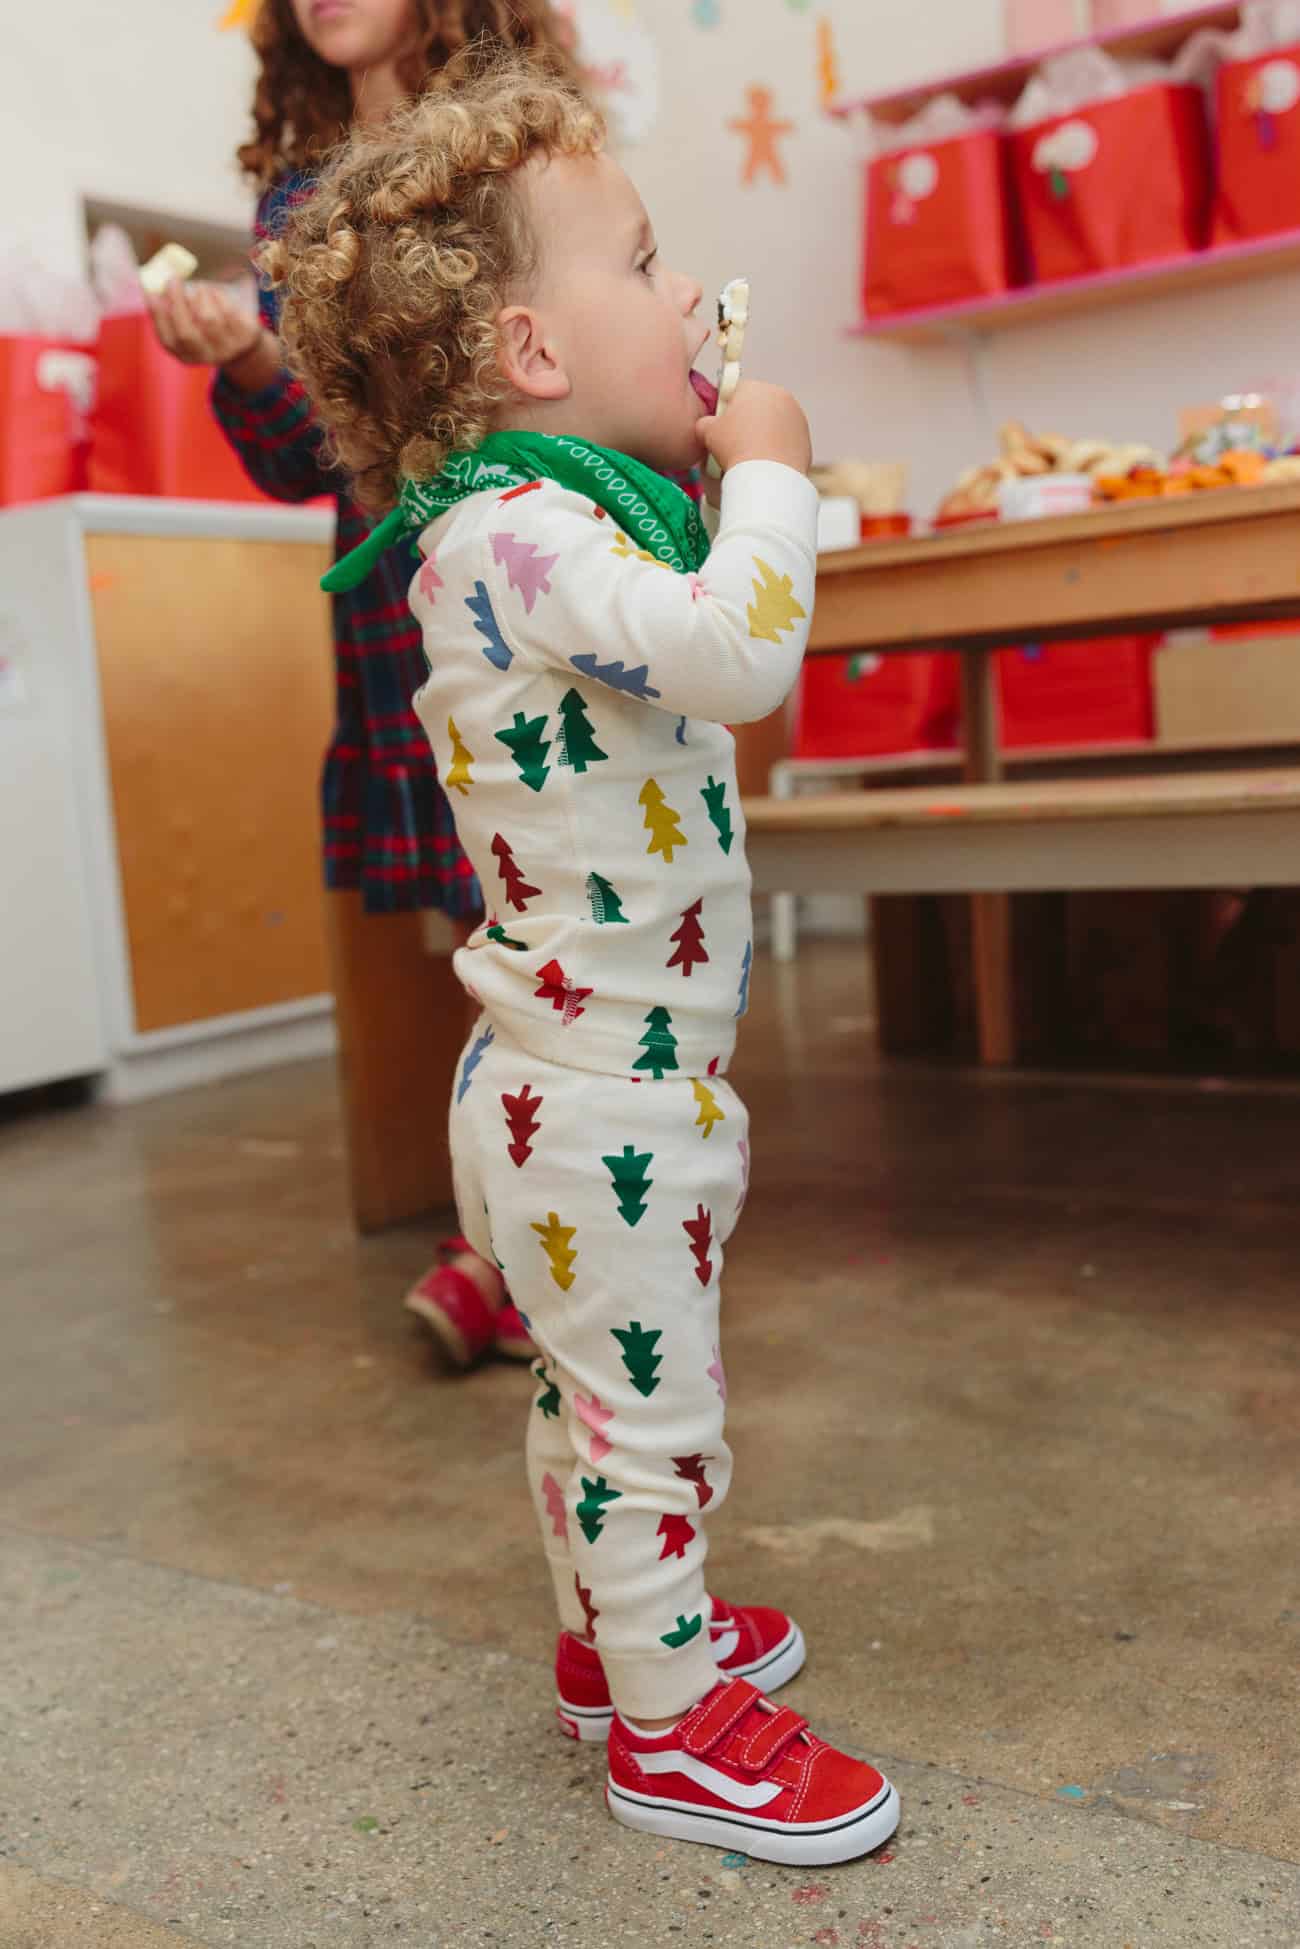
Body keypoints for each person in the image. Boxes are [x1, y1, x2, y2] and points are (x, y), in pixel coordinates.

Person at [263, 54, 901, 1865]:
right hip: (598, 1088)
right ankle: (675, 1723)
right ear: (533, 351)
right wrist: (772, 467)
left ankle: (616, 1644)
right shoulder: (521, 534)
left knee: (591, 1393)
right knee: (648, 1417)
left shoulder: (525, 520)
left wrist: (710, 472)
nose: (683, 288)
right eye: (641, 261)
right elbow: (739, 651)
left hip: (575, 1072)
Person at [146, 0, 582, 1368]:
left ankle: (533, 1245)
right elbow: (312, 456)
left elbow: (553, 363)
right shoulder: (295, 199)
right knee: (481, 933)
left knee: (549, 912)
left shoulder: (512, 150)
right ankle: (512, 1238)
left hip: (520, 560)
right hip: (398, 610)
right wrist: (247, 356)